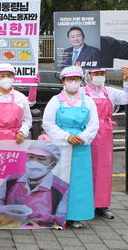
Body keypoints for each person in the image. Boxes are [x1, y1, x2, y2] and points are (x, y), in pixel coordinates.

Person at [42, 66, 99, 229]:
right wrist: (66, 137)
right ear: (63, 81)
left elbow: (94, 124)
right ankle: (56, 215)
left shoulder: (88, 101)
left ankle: (76, 215)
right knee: (58, 180)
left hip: (81, 146)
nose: (73, 82)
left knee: (80, 182)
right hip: (61, 146)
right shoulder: (55, 101)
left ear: (81, 80)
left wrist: (83, 137)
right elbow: (48, 123)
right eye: (69, 79)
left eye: (76, 79)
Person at [84, 67, 128, 219]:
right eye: (95, 73)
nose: (99, 76)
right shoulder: (81, 92)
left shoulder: (109, 92)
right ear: (88, 75)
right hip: (85, 132)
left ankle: (101, 205)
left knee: (103, 169)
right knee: (84, 168)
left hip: (104, 134)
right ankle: (84, 204)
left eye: (102, 73)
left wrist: (127, 80)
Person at [0, 63, 32, 144]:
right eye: (2, 76)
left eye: (9, 76)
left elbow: (27, 120)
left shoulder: (21, 97)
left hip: (16, 142)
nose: (6, 78)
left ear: (13, 78)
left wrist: (22, 132)